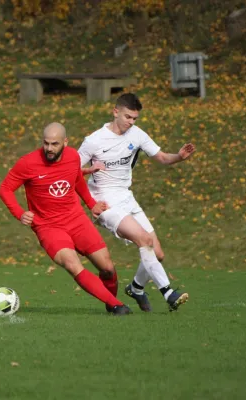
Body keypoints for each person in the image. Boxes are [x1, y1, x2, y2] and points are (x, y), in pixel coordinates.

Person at [0, 122, 132, 316]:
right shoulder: (27, 163)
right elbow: (5, 189)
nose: (49, 148)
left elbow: (76, 179)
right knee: (72, 264)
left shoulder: (72, 157)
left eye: (54, 144)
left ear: (65, 142)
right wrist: (19, 213)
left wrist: (90, 203)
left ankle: (110, 304)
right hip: (48, 226)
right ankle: (117, 305)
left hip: (76, 219)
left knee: (108, 268)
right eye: (46, 143)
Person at [78, 93, 195, 312]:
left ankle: (136, 288)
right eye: (128, 117)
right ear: (115, 112)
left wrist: (178, 157)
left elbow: (161, 157)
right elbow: (70, 170)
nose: (131, 122)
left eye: (135, 119)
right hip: (105, 202)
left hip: (126, 197)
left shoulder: (137, 135)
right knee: (144, 239)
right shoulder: (93, 140)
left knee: (157, 254)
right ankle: (168, 292)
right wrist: (88, 183)